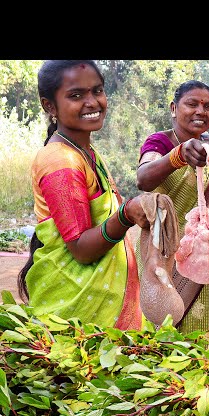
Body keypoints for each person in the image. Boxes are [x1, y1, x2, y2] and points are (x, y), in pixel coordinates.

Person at [17, 60, 151, 330]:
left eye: (97, 91)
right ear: (49, 106)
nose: (92, 102)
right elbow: (80, 249)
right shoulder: (59, 160)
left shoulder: (86, 152)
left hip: (101, 305)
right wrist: (126, 215)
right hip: (78, 313)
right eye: (76, 95)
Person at [136, 80, 209, 336]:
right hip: (162, 256)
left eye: (208, 106)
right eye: (192, 104)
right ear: (174, 108)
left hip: (204, 261)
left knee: (206, 337)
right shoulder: (159, 143)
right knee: (161, 335)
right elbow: (143, 178)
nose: (200, 111)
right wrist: (178, 155)